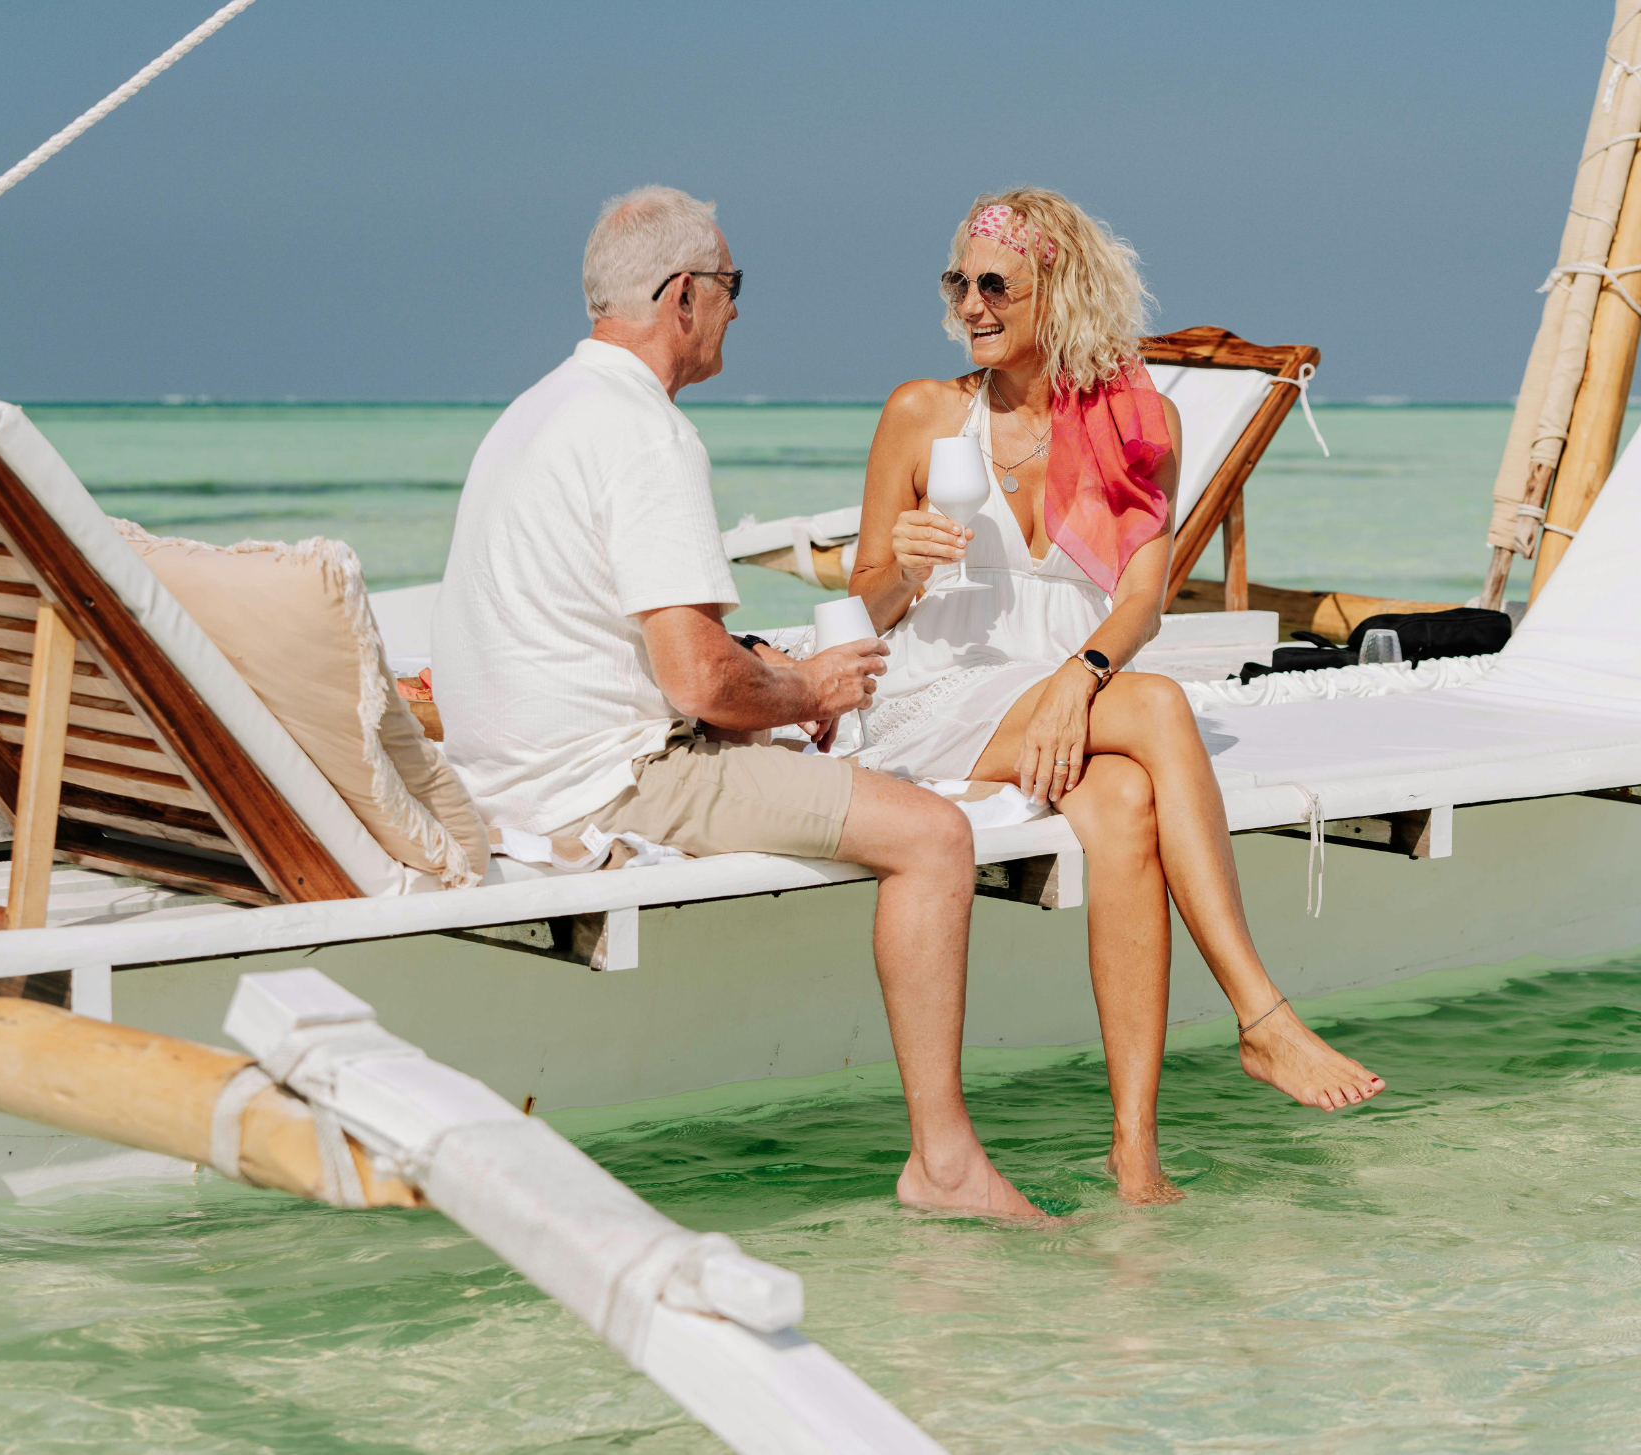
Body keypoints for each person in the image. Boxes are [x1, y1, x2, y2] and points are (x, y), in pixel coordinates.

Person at [434, 185, 1036, 1218]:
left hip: (512, 768)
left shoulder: (535, 411)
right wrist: (807, 685)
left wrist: (758, 675)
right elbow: (699, 685)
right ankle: (943, 1164)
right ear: (681, 298)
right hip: (608, 786)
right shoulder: (646, 433)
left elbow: (649, 648)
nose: (737, 309)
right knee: (934, 834)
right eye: (729, 286)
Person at [848, 188, 1385, 1205]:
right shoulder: (922, 413)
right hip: (943, 689)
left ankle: (1133, 1154)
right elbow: (866, 603)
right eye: (956, 282)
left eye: (993, 283)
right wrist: (904, 568)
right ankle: (1259, 1013)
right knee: (1158, 708)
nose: (969, 303)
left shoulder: (1138, 425)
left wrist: (1073, 681)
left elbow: (1142, 596)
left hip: (1068, 688)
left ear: (1056, 289)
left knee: (1129, 804)